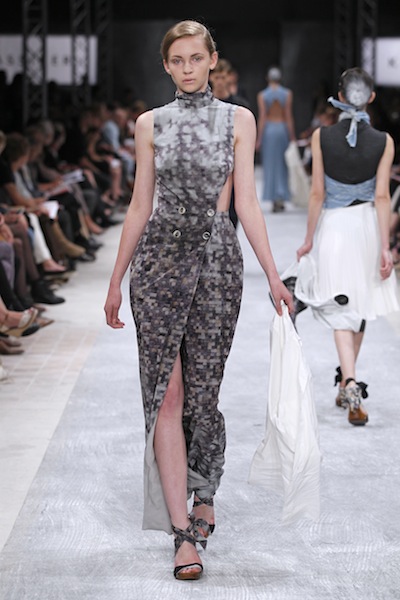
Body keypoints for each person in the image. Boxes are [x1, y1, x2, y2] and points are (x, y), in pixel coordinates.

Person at [104, 20, 293, 581]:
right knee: (166, 396)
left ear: (212, 59)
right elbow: (139, 205)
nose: (187, 68)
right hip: (157, 263)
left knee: (202, 397)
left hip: (215, 262)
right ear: (166, 66)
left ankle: (204, 490)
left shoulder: (239, 119)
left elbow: (247, 204)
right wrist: (115, 280)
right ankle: (182, 532)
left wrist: (274, 276)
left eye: (195, 58)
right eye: (177, 60)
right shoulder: (149, 123)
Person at [296, 67, 399, 427]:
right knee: (360, 306)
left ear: (339, 96)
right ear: (371, 98)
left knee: (342, 307)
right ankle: (346, 381)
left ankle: (350, 382)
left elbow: (317, 194)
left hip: (335, 228)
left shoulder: (321, 137)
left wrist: (309, 238)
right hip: (367, 227)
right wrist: (385, 246)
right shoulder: (384, 141)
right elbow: (383, 197)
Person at [209, 58, 251, 229]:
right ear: (210, 77)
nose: (220, 81)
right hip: (209, 169)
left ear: (230, 78)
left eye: (223, 77)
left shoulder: (241, 107)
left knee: (233, 215)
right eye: (217, 77)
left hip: (234, 167)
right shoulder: (203, 107)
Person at [256, 67, 295, 212]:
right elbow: (288, 115)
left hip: (269, 131)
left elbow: (263, 117)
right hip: (282, 129)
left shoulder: (263, 95)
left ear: (267, 78)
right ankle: (281, 196)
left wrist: (259, 138)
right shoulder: (287, 94)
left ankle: (273, 197)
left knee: (270, 164)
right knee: (282, 165)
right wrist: (292, 136)